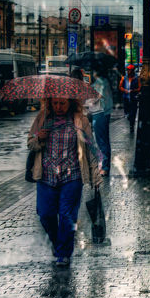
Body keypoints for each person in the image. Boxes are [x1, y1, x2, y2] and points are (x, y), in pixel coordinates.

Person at [27, 97, 102, 267]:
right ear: (50, 103)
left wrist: (95, 175)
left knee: (67, 216)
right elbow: (30, 143)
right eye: (55, 103)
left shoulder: (80, 120)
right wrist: (39, 138)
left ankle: (64, 253)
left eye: (62, 103)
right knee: (45, 215)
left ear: (70, 103)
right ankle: (58, 244)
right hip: (46, 177)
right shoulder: (42, 118)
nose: (58, 107)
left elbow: (91, 149)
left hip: (72, 176)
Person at [87, 68, 114, 176]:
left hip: (99, 113)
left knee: (101, 141)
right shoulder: (103, 81)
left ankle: (104, 167)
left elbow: (97, 97)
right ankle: (104, 166)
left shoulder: (101, 82)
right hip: (102, 113)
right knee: (104, 140)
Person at [120, 65, 140, 133]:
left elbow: (139, 88)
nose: (129, 71)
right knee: (127, 112)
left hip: (133, 98)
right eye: (128, 70)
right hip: (126, 97)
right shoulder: (124, 78)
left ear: (133, 71)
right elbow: (120, 86)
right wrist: (124, 90)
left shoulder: (137, 78)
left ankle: (132, 125)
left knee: (133, 112)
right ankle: (129, 118)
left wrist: (133, 90)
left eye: (130, 70)